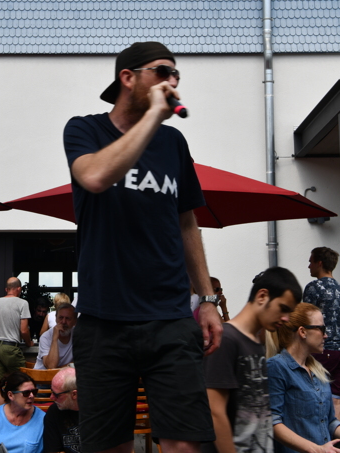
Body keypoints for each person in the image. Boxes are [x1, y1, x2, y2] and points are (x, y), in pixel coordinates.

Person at [63, 41, 220, 453]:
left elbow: (187, 222)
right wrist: (152, 116)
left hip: (169, 317)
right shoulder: (84, 130)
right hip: (104, 319)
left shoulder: (173, 144)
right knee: (110, 446)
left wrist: (206, 299)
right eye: (162, 71)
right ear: (128, 78)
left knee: (187, 445)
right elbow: (95, 177)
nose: (171, 81)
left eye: (176, 75)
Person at [203, 267, 302, 453]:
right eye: (283, 309)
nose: (286, 318)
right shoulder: (226, 340)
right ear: (262, 296)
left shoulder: (255, 343)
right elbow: (215, 412)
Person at [267, 303, 340, 453]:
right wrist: (316, 449)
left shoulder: (318, 371)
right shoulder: (277, 366)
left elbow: (329, 422)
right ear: (302, 332)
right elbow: (272, 421)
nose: (326, 335)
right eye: (321, 328)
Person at [302, 247, 340, 421]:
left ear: (319, 263)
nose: (309, 266)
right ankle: (338, 437)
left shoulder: (314, 287)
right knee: (336, 398)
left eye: (311, 262)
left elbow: (305, 317)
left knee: (313, 394)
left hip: (321, 349)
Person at [0, 277, 32, 406]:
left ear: (6, 289)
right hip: (10, 348)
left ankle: (1, 418)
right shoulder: (22, 303)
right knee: (21, 383)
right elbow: (24, 330)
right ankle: (18, 417)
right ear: (19, 289)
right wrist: (29, 343)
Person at [0, 372, 45, 453]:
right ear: (10, 395)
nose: (31, 396)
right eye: (26, 393)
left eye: (34, 392)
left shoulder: (42, 419)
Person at [43, 367, 80, 453]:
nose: (51, 397)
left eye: (56, 395)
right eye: (51, 391)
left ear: (74, 394)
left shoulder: (98, 412)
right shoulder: (54, 412)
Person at [35, 303, 76, 370]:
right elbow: (51, 366)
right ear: (56, 318)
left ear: (75, 321)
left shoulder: (77, 334)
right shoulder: (46, 337)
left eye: (68, 318)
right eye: (61, 318)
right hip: (43, 377)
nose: (63, 322)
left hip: (65, 376)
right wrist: (55, 338)